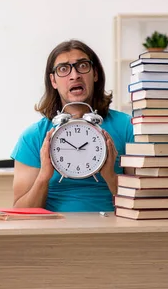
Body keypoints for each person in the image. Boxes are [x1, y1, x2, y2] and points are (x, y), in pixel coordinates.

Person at [10, 39, 134, 212]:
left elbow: (143, 205)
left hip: (114, 230)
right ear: (53, 81)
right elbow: (20, 212)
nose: (74, 75)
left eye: (82, 66)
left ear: (95, 74)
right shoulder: (33, 137)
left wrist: (110, 175)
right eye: (63, 69)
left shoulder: (129, 128)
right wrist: (44, 177)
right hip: (55, 233)